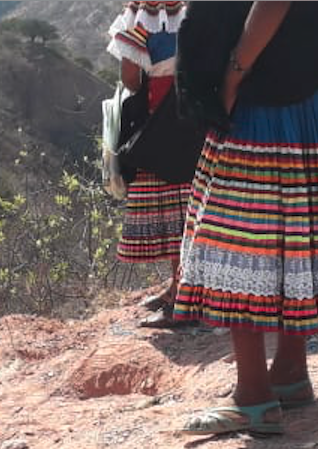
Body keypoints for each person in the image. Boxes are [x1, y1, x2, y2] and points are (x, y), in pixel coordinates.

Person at [174, 2, 318, 435]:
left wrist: (234, 70)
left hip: (266, 87)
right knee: (299, 225)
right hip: (314, 82)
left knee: (240, 234)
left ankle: (253, 395)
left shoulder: (250, 72)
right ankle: (289, 373)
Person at [107, 1, 190, 326]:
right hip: (195, 119)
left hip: (160, 125)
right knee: (189, 207)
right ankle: (179, 287)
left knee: (172, 210)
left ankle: (183, 295)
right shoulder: (192, 16)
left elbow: (130, 78)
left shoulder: (139, 22)